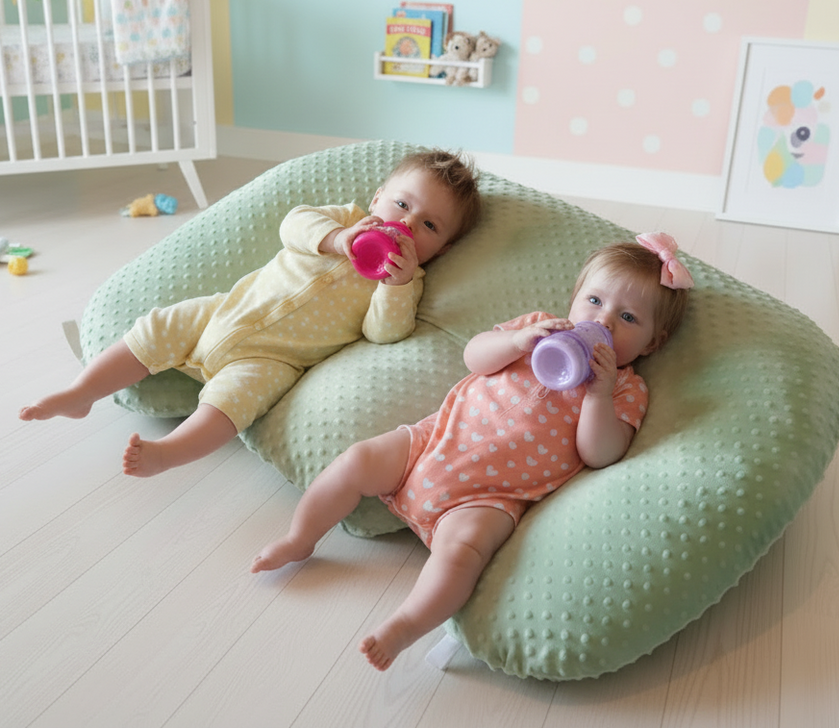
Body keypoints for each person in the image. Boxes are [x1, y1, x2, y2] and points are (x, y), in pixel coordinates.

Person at [251, 233, 694, 671]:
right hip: (433, 443)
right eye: (594, 301)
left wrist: (598, 395)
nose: (605, 321)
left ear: (652, 343)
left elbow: (600, 453)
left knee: (463, 555)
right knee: (357, 461)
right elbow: (474, 356)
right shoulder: (539, 326)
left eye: (628, 317)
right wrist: (517, 342)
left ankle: (406, 624)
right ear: (575, 298)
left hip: (489, 497)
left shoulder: (625, 389)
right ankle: (300, 538)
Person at [20, 149, 482, 477]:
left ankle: (169, 452)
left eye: (428, 225)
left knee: (233, 404)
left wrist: (394, 286)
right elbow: (293, 225)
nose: (406, 224)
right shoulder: (343, 218)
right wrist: (337, 239)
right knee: (159, 326)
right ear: (377, 197)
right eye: (401, 204)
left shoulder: (407, 282)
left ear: (441, 250)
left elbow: (383, 333)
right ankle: (82, 392)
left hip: (274, 359)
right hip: (227, 311)